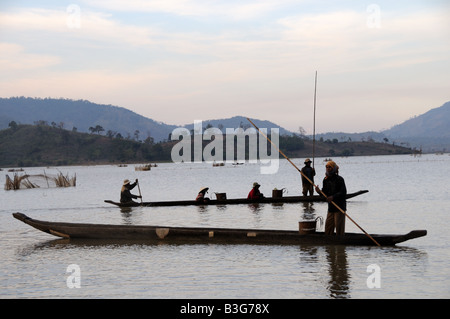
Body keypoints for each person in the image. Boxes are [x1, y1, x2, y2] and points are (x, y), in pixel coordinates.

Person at [315, 161, 347, 235]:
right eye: (327, 167)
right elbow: (325, 194)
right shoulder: (325, 180)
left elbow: (343, 192)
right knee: (328, 228)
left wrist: (333, 197)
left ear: (334, 169)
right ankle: (329, 243)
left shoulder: (339, 179)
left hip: (339, 207)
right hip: (331, 207)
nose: (328, 169)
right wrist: (319, 192)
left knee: (339, 228)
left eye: (330, 167)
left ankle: (340, 243)